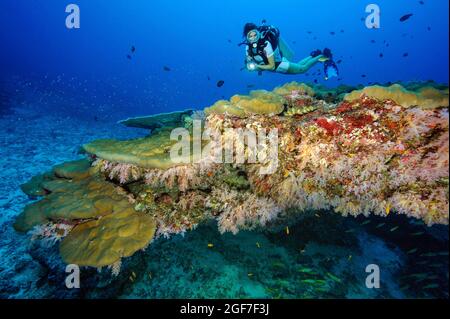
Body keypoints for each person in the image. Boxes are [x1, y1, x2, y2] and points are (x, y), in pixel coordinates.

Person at [242, 22, 338, 78]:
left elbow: (271, 66)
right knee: (299, 65)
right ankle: (313, 55)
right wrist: (249, 65)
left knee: (302, 69)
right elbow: (250, 60)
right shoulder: (247, 48)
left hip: (278, 65)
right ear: (247, 37)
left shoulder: (266, 45)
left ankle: (321, 56)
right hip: (275, 62)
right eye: (250, 36)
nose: (253, 38)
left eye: (255, 34)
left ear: (258, 33)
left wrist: (257, 66)